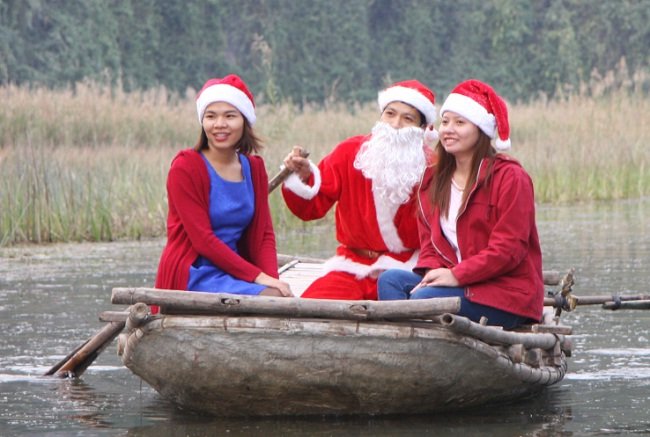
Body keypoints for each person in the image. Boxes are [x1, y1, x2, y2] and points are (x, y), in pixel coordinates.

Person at [377, 79, 544, 329]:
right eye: (445, 122)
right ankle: (410, 344)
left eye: (460, 123)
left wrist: (456, 275)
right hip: (457, 284)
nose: (448, 130)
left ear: (481, 129)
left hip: (504, 292)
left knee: (424, 299)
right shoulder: (433, 180)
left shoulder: (511, 178)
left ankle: (417, 340)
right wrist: (433, 272)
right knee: (390, 280)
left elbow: (508, 250)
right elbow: (430, 245)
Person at [281, 80, 438, 300]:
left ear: (421, 129)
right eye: (390, 114)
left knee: (409, 315)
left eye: (407, 118)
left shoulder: (434, 167)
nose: (395, 124)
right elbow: (312, 207)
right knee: (312, 308)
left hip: (406, 271)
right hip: (352, 267)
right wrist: (303, 177)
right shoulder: (350, 153)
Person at [154, 74, 292, 299]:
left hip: (235, 270)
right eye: (211, 116)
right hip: (194, 273)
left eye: (230, 116)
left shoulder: (254, 167)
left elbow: (264, 234)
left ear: (244, 121)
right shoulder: (186, 167)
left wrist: (272, 279)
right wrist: (258, 277)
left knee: (278, 296)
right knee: (272, 296)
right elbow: (203, 240)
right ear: (203, 122)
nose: (219, 124)